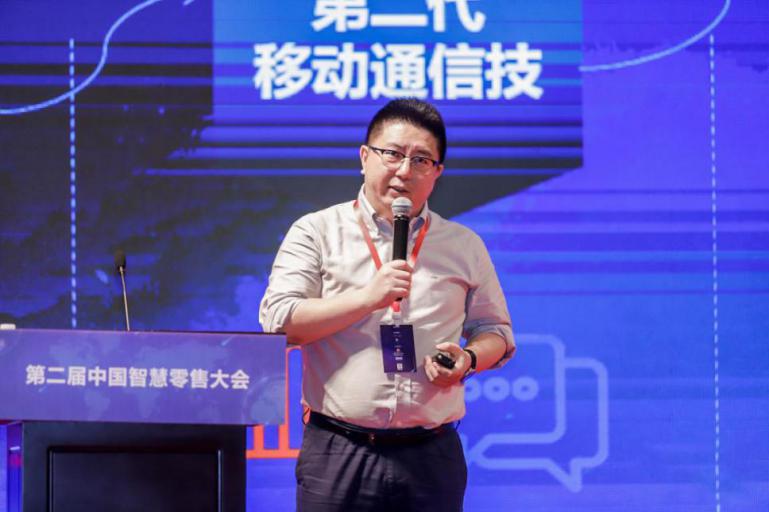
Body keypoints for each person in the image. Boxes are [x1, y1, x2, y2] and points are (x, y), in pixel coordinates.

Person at [259, 98, 515, 512]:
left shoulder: (464, 245)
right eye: (392, 154)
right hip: (338, 449)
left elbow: (497, 333)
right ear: (365, 157)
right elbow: (279, 323)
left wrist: (467, 359)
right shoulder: (316, 231)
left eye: (421, 160)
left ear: (437, 173)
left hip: (432, 453)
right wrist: (367, 298)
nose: (404, 170)